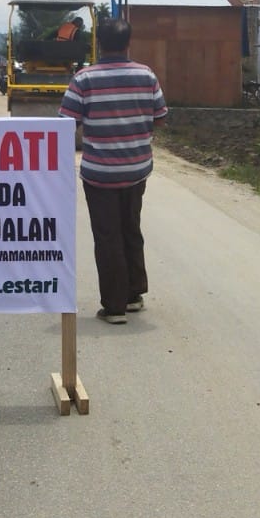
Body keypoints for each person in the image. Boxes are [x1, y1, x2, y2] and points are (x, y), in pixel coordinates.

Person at [58, 18, 168, 324]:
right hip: (136, 170)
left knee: (108, 236)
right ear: (128, 43)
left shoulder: (84, 79)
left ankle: (115, 306)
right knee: (130, 228)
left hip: (100, 173)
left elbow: (66, 121)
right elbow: (160, 116)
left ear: (99, 44)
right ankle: (134, 294)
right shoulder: (146, 75)